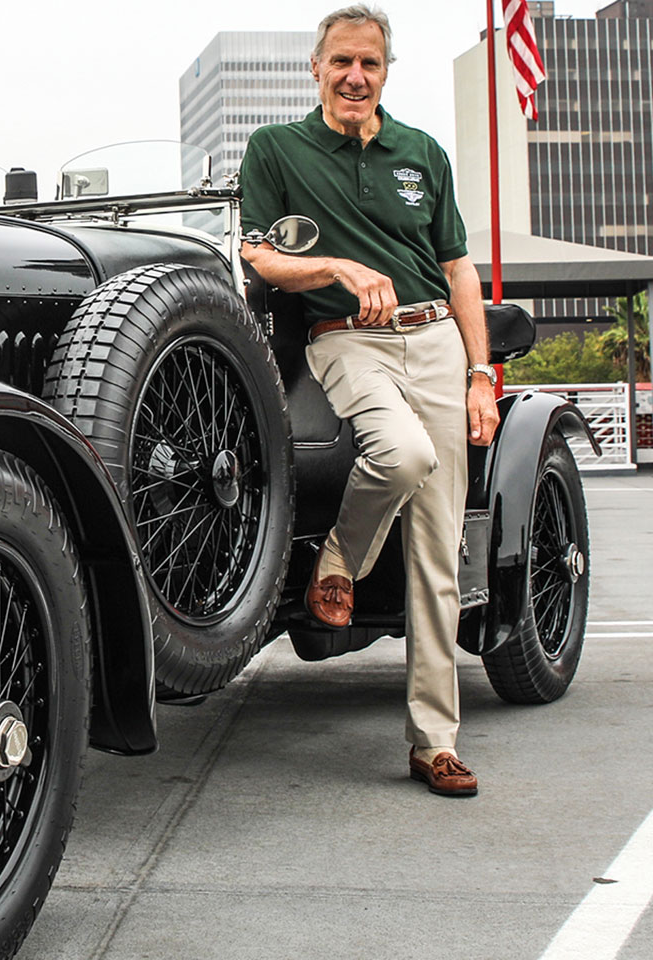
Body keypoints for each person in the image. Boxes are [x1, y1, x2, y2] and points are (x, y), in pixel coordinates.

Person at [239, 4, 499, 797]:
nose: (356, 77)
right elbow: (257, 255)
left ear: (386, 72)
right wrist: (338, 269)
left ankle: (434, 742)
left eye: (371, 65)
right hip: (346, 340)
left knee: (436, 550)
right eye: (342, 62)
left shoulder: (422, 153)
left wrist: (480, 374)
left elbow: (457, 269)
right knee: (402, 452)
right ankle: (342, 562)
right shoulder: (276, 149)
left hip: (436, 342)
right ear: (315, 68)